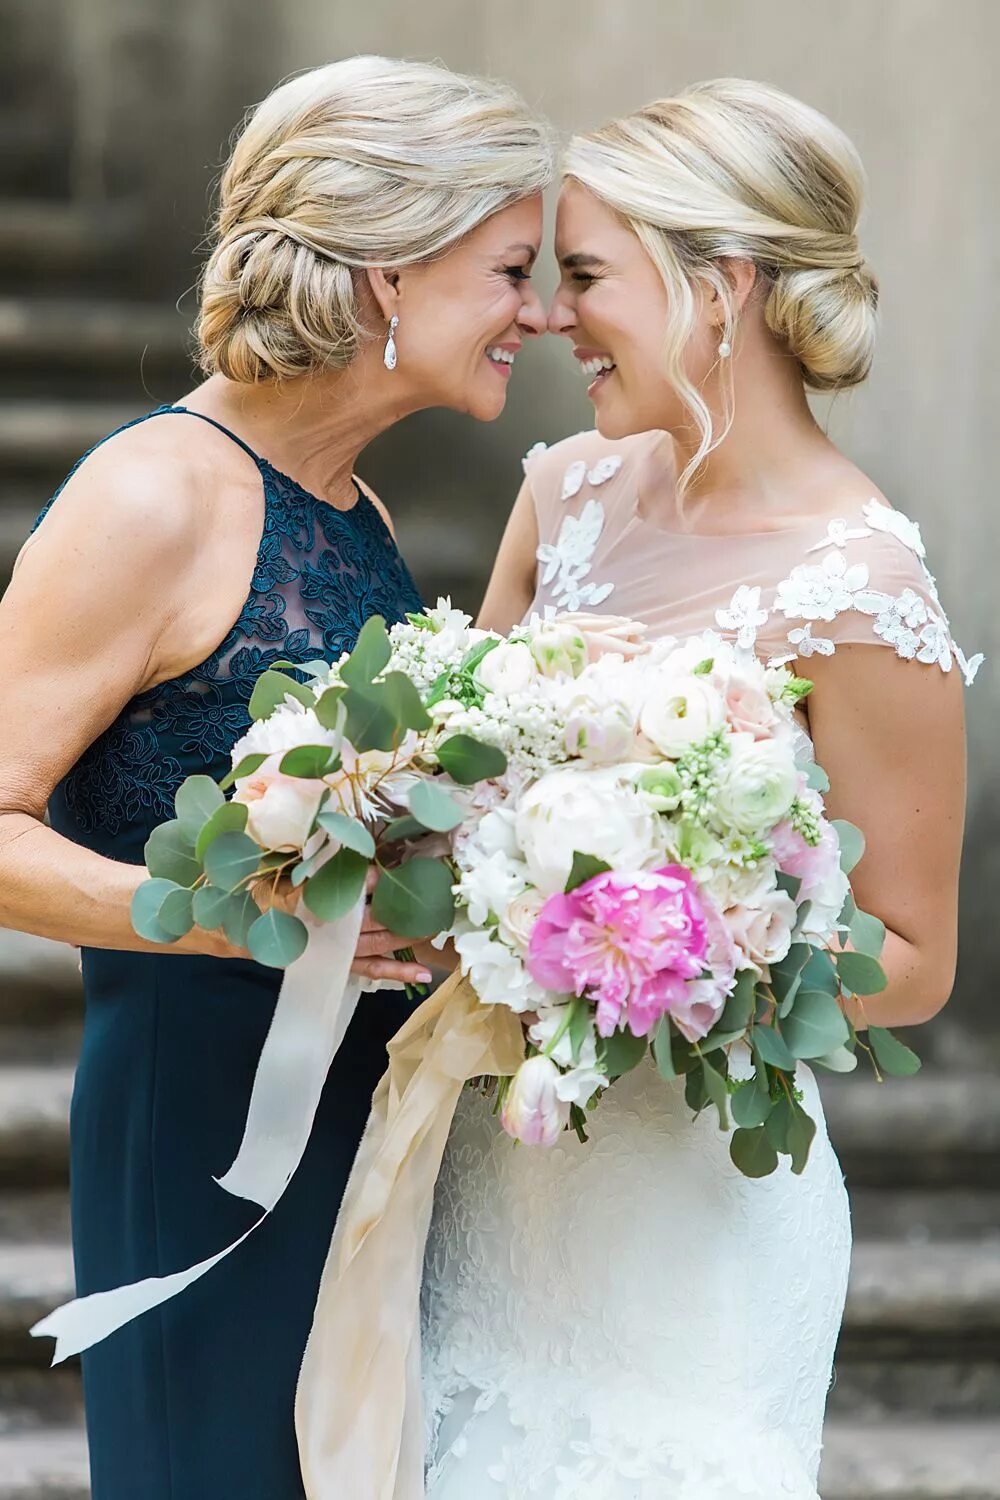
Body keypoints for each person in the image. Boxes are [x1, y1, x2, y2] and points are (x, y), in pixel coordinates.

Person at [0, 55, 549, 1500]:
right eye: (507, 269)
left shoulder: (352, 508)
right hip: (202, 1122)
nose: (535, 314)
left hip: (358, 1114)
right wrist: (232, 917)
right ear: (387, 277)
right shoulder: (153, 493)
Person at [422, 79, 974, 1498]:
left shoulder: (860, 584)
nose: (551, 317)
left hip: (692, 1217)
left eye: (587, 275)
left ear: (716, 288)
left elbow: (909, 963)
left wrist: (666, 952)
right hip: (495, 1181)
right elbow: (449, 785)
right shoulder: (563, 495)